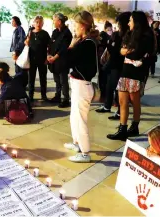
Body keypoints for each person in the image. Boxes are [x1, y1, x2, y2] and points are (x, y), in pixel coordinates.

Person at [107, 11, 155, 141]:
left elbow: (137, 54)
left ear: (137, 22)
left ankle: (134, 126)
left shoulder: (147, 36)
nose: (128, 23)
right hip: (126, 70)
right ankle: (122, 128)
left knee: (135, 101)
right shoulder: (129, 34)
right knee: (122, 101)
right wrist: (129, 51)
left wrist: (129, 51)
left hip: (137, 73)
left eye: (131, 20)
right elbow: (121, 50)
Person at [63, 11, 98, 163]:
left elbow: (68, 60)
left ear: (83, 25)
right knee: (74, 117)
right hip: (77, 84)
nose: (74, 27)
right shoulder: (84, 41)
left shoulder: (87, 43)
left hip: (82, 86)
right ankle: (77, 143)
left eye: (75, 24)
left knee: (80, 119)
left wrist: (71, 46)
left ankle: (85, 152)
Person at [96, 12, 132, 121]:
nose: (118, 25)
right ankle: (107, 106)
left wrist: (113, 46)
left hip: (121, 66)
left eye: (120, 23)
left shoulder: (129, 36)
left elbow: (118, 50)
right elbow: (112, 48)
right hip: (113, 64)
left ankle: (120, 112)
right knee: (109, 86)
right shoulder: (117, 34)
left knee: (119, 90)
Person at [48, 13, 73, 108]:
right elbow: (50, 44)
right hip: (54, 61)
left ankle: (66, 99)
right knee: (56, 80)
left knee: (63, 81)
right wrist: (49, 55)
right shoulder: (55, 32)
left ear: (59, 21)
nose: (53, 22)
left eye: (54, 20)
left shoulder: (67, 33)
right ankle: (57, 96)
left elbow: (64, 48)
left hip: (62, 61)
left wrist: (54, 57)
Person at [24, 16, 50, 102]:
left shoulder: (45, 34)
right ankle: (30, 96)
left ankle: (44, 95)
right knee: (31, 78)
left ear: (43, 24)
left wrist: (48, 57)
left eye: (40, 22)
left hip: (42, 60)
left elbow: (49, 47)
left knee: (43, 78)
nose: (38, 24)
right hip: (31, 60)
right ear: (34, 23)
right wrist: (26, 41)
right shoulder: (30, 33)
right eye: (37, 22)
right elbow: (25, 43)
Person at [10, 16, 27, 88]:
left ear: (16, 21)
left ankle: (21, 84)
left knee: (19, 69)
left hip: (19, 52)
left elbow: (21, 41)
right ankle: (20, 83)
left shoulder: (20, 29)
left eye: (13, 21)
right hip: (17, 51)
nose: (12, 22)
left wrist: (16, 51)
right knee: (18, 68)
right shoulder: (17, 29)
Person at [98, 21, 113, 101]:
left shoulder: (109, 36)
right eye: (109, 29)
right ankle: (103, 94)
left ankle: (104, 94)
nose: (110, 30)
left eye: (111, 29)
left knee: (105, 78)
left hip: (106, 60)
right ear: (105, 29)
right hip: (103, 60)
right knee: (103, 78)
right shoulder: (102, 35)